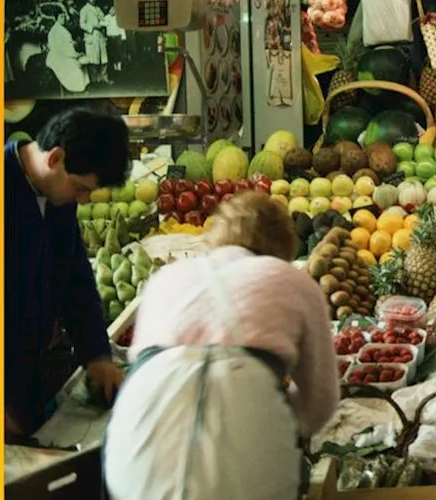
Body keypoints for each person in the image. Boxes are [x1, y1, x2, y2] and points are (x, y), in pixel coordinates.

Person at [103, 191, 339, 500]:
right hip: (243, 455)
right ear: (283, 244)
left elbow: (138, 365)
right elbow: (319, 401)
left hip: (134, 449)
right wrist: (275, 414)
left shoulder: (166, 279)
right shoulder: (292, 280)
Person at [6, 107, 131, 440]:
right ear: (56, 158)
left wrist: (97, 355)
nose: (84, 199)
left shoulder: (59, 202)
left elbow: (76, 281)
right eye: (80, 188)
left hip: (30, 373)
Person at [44, 15, 89, 93]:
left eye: (64, 16)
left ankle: (84, 86)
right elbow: (61, 48)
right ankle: (78, 89)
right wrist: (75, 55)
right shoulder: (55, 31)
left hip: (64, 54)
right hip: (59, 56)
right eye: (61, 17)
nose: (64, 18)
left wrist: (73, 47)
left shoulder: (61, 29)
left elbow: (67, 45)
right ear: (56, 18)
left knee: (83, 61)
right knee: (75, 67)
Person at [79, 0, 109, 83]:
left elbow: (104, 19)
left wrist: (103, 23)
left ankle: (104, 77)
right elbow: (82, 24)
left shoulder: (98, 9)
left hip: (100, 35)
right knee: (93, 58)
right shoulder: (84, 10)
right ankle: (95, 79)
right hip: (91, 36)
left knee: (104, 57)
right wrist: (93, 26)